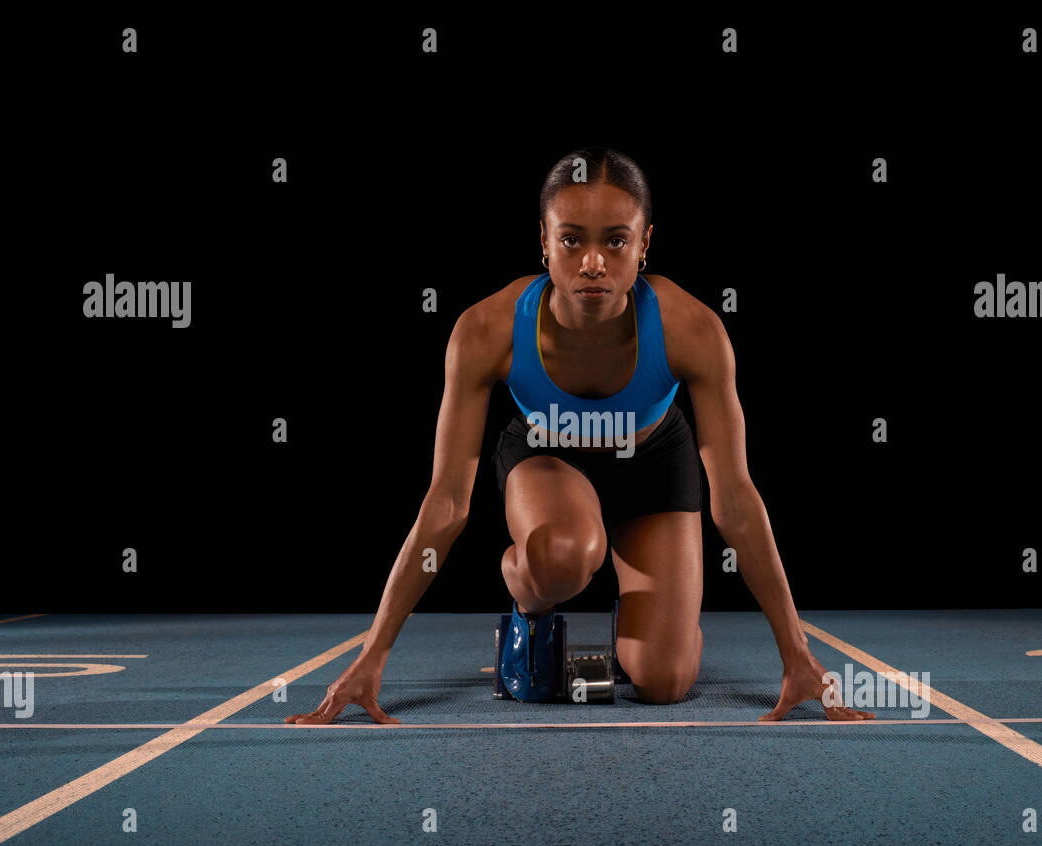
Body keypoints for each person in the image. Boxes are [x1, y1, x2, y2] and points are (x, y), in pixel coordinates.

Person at [287, 147, 874, 724]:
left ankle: (647, 620)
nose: (593, 262)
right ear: (544, 242)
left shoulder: (693, 329)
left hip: (653, 466)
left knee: (666, 680)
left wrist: (796, 655)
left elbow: (738, 500)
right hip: (548, 458)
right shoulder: (485, 330)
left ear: (644, 245)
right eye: (571, 240)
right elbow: (445, 504)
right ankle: (528, 598)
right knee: (565, 553)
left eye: (615, 241)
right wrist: (372, 656)